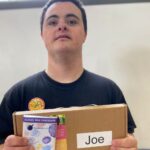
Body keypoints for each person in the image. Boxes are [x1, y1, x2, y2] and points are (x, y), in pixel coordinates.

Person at [0, 0, 137, 149]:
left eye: (72, 21)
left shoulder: (109, 90)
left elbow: (127, 137)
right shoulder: (18, 94)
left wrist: (128, 145)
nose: (62, 26)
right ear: (42, 35)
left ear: (85, 34)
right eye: (52, 22)